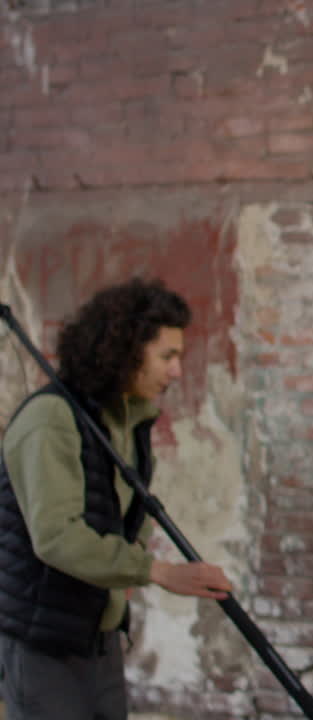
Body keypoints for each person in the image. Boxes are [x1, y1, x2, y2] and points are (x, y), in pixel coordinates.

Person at [0, 278, 233, 720]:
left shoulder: (127, 422)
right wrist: (159, 571)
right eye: (167, 356)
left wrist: (132, 560)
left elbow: (132, 515)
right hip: (43, 644)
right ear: (125, 351)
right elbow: (57, 537)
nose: (177, 371)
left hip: (98, 636)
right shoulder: (50, 419)